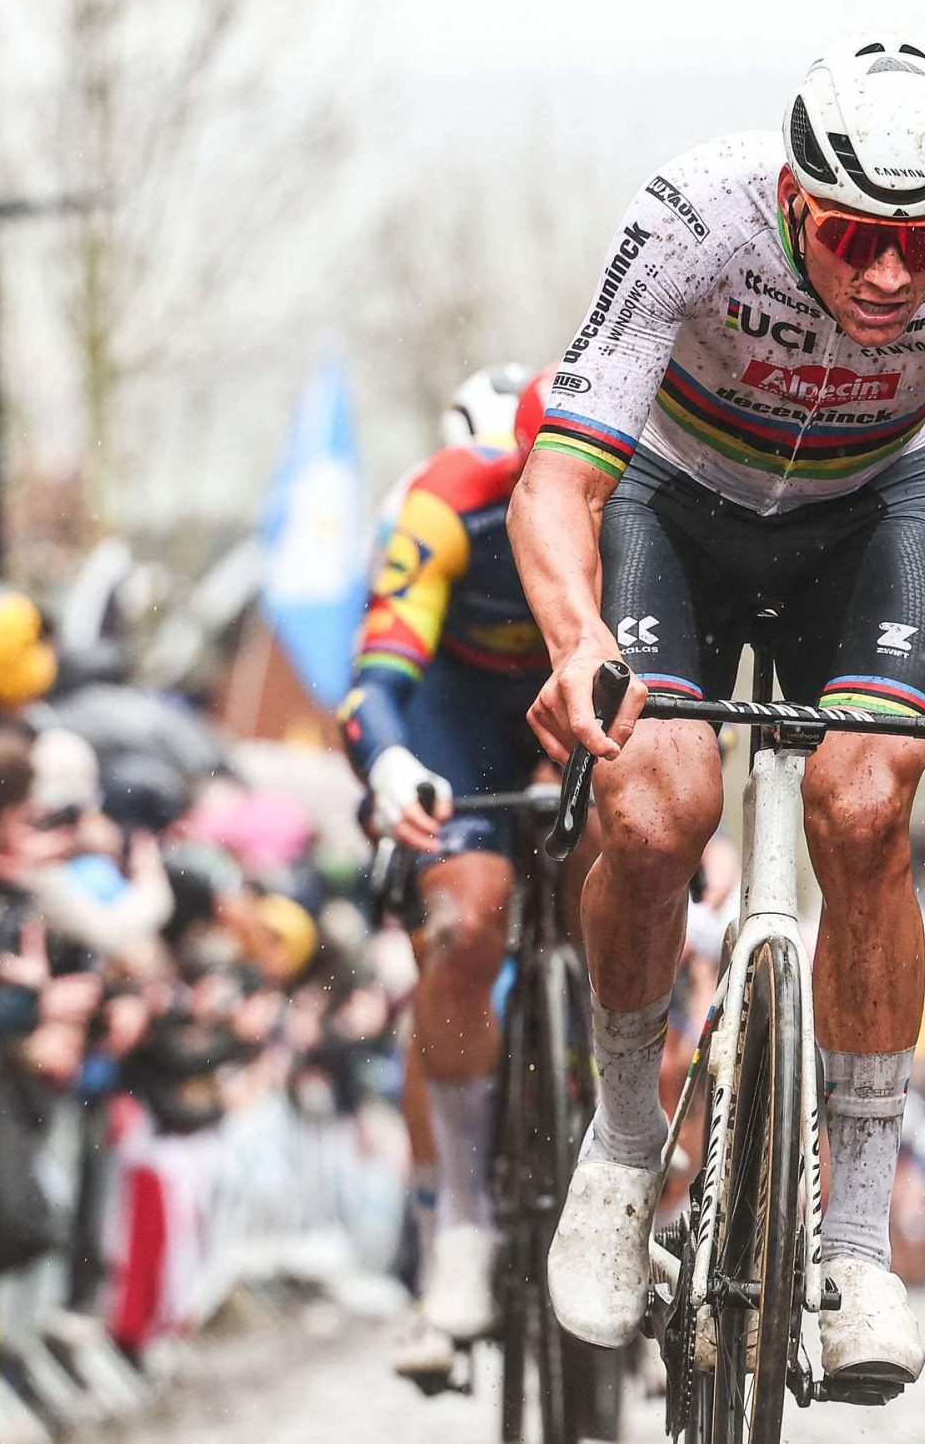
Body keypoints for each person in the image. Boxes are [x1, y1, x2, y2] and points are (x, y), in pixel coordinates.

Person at [511, 35, 925, 1391]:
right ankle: (617, 1148)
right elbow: (559, 482)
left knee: (867, 801)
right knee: (656, 811)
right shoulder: (695, 214)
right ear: (790, 201)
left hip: (873, 511)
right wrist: (578, 636)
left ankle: (854, 1238)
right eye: (852, 238)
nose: (891, 276)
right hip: (675, 500)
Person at [336, 366, 556, 1365]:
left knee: (642, 882)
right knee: (463, 926)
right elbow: (374, 681)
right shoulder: (444, 503)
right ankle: (459, 1220)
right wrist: (387, 763)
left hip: (572, 709)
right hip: (455, 718)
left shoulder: (647, 497)